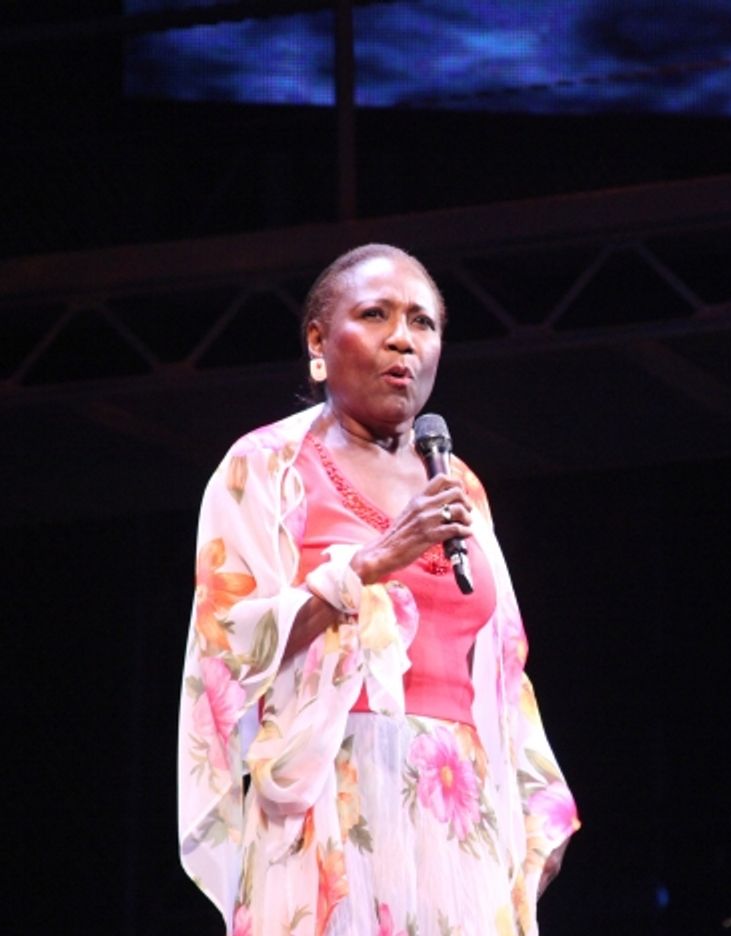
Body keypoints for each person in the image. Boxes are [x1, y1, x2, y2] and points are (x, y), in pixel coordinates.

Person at [177, 244, 578, 936]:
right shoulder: (266, 467)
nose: (403, 338)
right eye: (376, 314)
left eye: (423, 323)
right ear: (318, 341)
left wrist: (540, 801)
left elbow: (505, 668)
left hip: (457, 804)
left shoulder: (458, 484)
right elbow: (229, 646)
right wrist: (375, 560)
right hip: (334, 796)